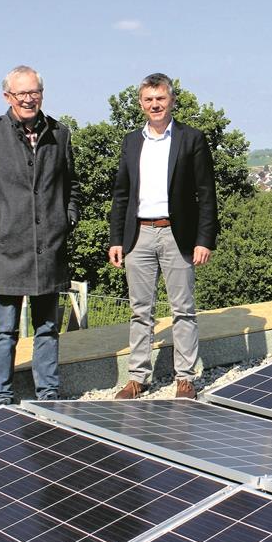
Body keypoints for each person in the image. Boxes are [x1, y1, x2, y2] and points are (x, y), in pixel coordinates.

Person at [0, 65, 80, 406]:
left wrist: (67, 218)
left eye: (34, 92)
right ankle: (1, 396)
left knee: (46, 328)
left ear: (42, 93)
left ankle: (48, 394)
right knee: (5, 328)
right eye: (21, 93)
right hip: (8, 248)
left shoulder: (60, 133)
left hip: (50, 248)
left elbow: (72, 185)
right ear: (7, 97)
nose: (28, 99)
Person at [108, 73, 218, 399]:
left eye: (160, 98)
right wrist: (116, 239)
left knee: (183, 308)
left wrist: (204, 239)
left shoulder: (191, 139)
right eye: (148, 100)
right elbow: (121, 195)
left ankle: (185, 378)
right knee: (140, 310)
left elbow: (206, 194)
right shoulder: (131, 142)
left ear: (171, 100)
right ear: (141, 104)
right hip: (138, 235)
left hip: (177, 233)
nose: (155, 105)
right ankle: (138, 378)